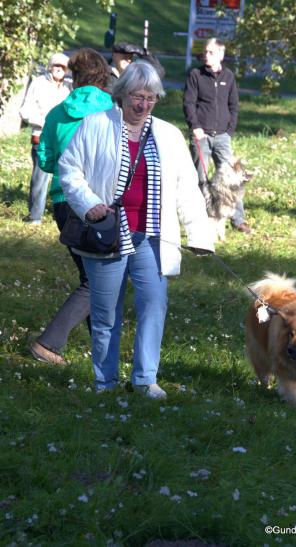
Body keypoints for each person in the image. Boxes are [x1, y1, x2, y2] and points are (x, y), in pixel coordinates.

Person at [58, 60, 214, 397]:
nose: (142, 105)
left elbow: (187, 188)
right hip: (107, 234)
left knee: (154, 305)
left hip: (152, 238)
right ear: (122, 94)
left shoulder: (169, 135)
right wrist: (89, 205)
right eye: (136, 97)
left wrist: (200, 236)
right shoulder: (95, 125)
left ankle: (145, 379)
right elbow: (69, 171)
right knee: (105, 315)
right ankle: (105, 381)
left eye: (150, 98)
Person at [30, 49, 113, 365]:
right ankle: (48, 343)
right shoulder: (110, 110)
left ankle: (105, 352)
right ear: (103, 76)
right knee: (97, 281)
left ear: (75, 76)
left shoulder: (55, 112)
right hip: (95, 203)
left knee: (93, 275)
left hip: (63, 204)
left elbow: (46, 161)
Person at [183, 37, 251, 234]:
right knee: (199, 178)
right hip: (201, 135)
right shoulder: (195, 75)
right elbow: (189, 103)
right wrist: (195, 126)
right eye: (205, 52)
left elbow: (234, 106)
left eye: (211, 52)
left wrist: (229, 130)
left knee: (234, 180)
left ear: (221, 54)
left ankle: (238, 219)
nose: (206, 55)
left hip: (223, 136)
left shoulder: (228, 76)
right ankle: (199, 218)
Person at [19, 53, 71, 224]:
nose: (59, 69)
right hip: (40, 136)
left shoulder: (67, 88)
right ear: (49, 66)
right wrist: (45, 122)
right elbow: (25, 110)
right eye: (56, 65)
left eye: (63, 67)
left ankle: (62, 214)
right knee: (39, 178)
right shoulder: (38, 83)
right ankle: (35, 216)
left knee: (64, 177)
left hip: (62, 139)